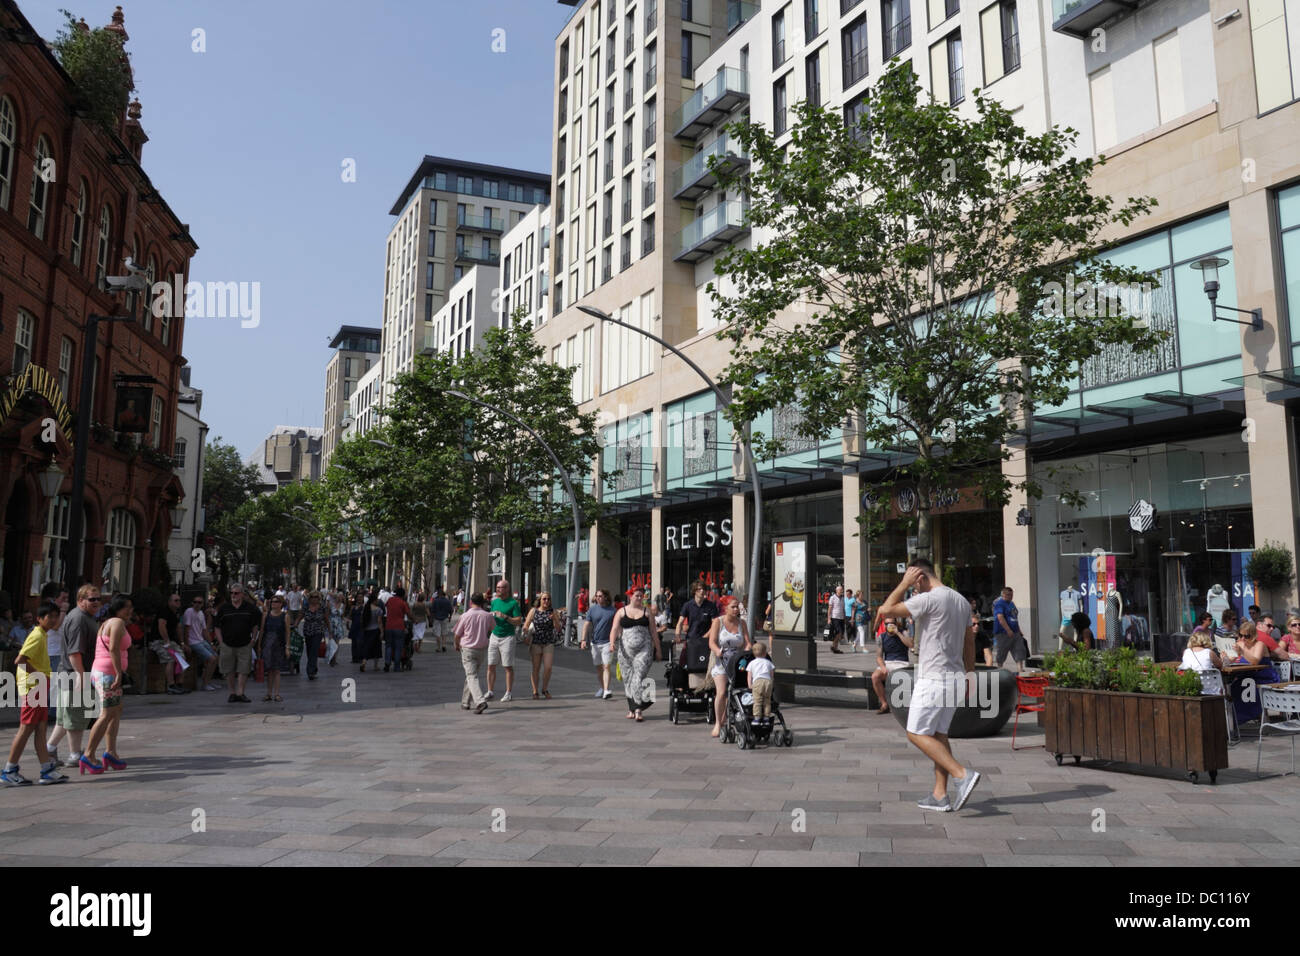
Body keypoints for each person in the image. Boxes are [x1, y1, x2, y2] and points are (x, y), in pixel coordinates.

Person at [878, 560, 981, 813]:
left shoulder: (930, 598)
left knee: (915, 733)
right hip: (955, 676)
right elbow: (969, 642)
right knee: (938, 735)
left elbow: (885, 610)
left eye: (914, 583)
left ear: (920, 576)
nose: (914, 589)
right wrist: (970, 674)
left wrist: (902, 584)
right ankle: (939, 794)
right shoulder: (960, 601)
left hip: (934, 677)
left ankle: (962, 774)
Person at [2, 601, 67, 785]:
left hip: (38, 684)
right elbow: (20, 660)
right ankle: (9, 770)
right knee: (26, 728)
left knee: (40, 727)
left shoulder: (42, 635)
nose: (53, 620)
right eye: (49, 616)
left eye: (56, 616)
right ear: (39, 619)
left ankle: (46, 769)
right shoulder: (37, 635)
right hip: (33, 686)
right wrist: (38, 676)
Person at [46, 585, 101, 768]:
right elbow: (75, 652)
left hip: (72, 674)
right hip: (75, 675)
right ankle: (75, 755)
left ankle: (49, 748)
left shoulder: (84, 617)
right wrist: (81, 676)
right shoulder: (79, 619)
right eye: (92, 599)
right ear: (80, 600)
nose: (96, 602)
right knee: (76, 718)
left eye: (98, 599)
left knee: (66, 717)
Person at [80, 593, 135, 775]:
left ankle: (110, 752)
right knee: (106, 714)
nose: (130, 610)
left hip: (105, 673)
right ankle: (88, 754)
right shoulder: (117, 623)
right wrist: (119, 673)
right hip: (108, 674)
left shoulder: (107, 622)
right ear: (119, 608)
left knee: (115, 711)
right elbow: (112, 648)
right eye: (127, 607)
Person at [611, 587, 659, 721]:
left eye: (641, 596)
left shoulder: (647, 612)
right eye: (637, 595)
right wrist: (611, 643)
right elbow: (614, 628)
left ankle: (638, 710)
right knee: (628, 679)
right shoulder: (621, 611)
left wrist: (658, 649)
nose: (639, 598)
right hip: (625, 651)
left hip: (644, 650)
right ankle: (631, 708)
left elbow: (654, 631)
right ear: (630, 596)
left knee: (638, 677)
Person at [707, 599, 752, 738]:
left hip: (737, 660)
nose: (736, 610)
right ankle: (718, 724)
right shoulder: (718, 622)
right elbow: (712, 642)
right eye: (733, 607)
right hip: (721, 660)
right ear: (725, 608)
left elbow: (747, 642)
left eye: (737, 607)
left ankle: (731, 717)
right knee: (721, 692)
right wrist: (718, 651)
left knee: (737, 689)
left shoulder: (742, 623)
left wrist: (747, 650)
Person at [214, 584, 261, 703]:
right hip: (227, 644)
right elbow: (217, 627)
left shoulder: (249, 608)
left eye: (236, 593)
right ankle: (232, 693)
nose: (233, 595)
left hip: (245, 643)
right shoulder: (224, 608)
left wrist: (253, 639)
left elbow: (255, 625)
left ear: (242, 594)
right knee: (228, 669)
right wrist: (221, 642)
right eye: (232, 593)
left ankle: (240, 692)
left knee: (243, 669)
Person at [454, 592, 493, 713]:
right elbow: (492, 630)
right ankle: (465, 702)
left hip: (468, 649)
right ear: (482, 603)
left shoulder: (465, 616)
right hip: (481, 649)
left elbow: (457, 634)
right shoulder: (488, 615)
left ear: (471, 602)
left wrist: (456, 644)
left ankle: (480, 701)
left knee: (471, 676)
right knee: (472, 675)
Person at [486, 579, 522, 702]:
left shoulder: (513, 603)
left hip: (507, 637)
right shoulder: (494, 602)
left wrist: (505, 617)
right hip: (494, 636)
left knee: (508, 666)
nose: (497, 589)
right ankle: (490, 691)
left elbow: (518, 621)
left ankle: (508, 692)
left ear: (507, 589)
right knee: (491, 665)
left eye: (500, 587)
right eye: (497, 587)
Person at [871, 617, 913, 714]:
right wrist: (882, 667)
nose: (889, 625)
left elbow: (910, 645)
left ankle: (904, 706)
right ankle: (884, 704)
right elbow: (879, 656)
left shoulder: (903, 633)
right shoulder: (881, 637)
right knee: (875, 676)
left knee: (902, 677)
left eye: (892, 623)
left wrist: (898, 633)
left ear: (896, 624)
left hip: (902, 663)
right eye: (886, 624)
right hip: (888, 663)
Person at [523, 591, 560, 700]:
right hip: (536, 642)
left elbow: (558, 629)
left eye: (548, 599)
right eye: (544, 599)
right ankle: (535, 691)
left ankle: (544, 689)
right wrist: (525, 633)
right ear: (540, 600)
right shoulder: (534, 611)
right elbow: (526, 625)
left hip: (548, 642)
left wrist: (555, 619)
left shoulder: (553, 611)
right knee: (536, 668)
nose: (546, 601)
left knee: (548, 667)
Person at [582, 588, 616, 699]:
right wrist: (583, 640)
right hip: (595, 643)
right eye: (597, 596)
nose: (598, 598)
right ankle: (602, 687)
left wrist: (615, 640)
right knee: (599, 668)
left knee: (606, 666)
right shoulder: (592, 610)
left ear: (606, 597)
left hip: (608, 642)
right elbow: (586, 625)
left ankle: (606, 690)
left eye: (600, 596)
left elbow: (617, 627)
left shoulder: (613, 610)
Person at [182, 594, 220, 690]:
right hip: (193, 642)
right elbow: (186, 629)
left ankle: (207, 681)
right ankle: (205, 684)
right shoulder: (189, 612)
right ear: (192, 603)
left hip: (201, 640)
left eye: (199, 602)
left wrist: (211, 644)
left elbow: (204, 630)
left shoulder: (201, 614)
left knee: (216, 658)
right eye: (195, 602)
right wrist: (186, 644)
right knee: (212, 659)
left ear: (203, 604)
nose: (197, 604)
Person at [259, 594, 290, 702]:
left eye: (276, 602)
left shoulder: (285, 616)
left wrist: (287, 647)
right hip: (267, 644)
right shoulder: (265, 615)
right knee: (269, 670)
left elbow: (287, 633)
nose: (274, 603)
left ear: (281, 604)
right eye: (272, 601)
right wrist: (259, 645)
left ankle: (276, 694)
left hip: (279, 645)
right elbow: (262, 631)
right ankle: (268, 693)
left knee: (276, 670)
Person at [992, 586, 1027, 672]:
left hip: (1015, 632)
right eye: (1008, 594)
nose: (1010, 596)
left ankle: (1020, 669)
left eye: (1011, 594)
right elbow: (1000, 617)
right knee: (1002, 651)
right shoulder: (999, 604)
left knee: (1019, 650)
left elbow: (1015, 617)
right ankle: (999, 669)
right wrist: (1008, 630)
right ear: (1003, 594)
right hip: (1003, 632)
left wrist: (1019, 630)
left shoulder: (1012, 603)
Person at [299, 591, 330, 680]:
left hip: (318, 631)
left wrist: (329, 631)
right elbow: (301, 615)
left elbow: (326, 618)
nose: (314, 598)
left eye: (316, 597)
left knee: (314, 650)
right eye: (313, 597)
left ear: (319, 598)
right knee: (309, 651)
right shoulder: (306, 606)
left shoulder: (322, 606)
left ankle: (310, 671)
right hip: (307, 631)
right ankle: (314, 668)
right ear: (310, 598)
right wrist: (295, 624)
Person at [383, 587, 410, 673]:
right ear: (402, 595)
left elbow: (386, 607)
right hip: (399, 627)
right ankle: (396, 666)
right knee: (398, 647)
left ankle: (387, 663)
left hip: (388, 626)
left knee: (388, 646)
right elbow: (408, 614)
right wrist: (414, 620)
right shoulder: (403, 603)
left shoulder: (390, 600)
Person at [748, 641, 776, 723]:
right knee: (767, 701)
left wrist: (750, 684)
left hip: (757, 682)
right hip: (767, 682)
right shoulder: (768, 662)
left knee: (757, 701)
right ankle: (766, 718)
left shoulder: (752, 663)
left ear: (754, 654)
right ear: (765, 653)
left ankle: (757, 718)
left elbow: (749, 675)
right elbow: (771, 674)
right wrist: (771, 682)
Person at [359, 590, 383, 672]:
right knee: (376, 648)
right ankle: (375, 666)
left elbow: (362, 619)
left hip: (367, 630)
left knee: (367, 647)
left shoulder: (366, 608)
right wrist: (382, 631)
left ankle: (364, 662)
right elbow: (379, 622)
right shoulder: (378, 610)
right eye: (376, 600)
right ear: (374, 600)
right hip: (375, 630)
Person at [828, 584, 846, 654]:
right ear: (837, 591)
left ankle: (834, 647)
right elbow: (829, 608)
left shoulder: (843, 598)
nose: (841, 591)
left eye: (842, 590)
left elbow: (843, 609)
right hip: (835, 617)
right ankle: (834, 647)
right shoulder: (832, 598)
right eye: (840, 590)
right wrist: (829, 619)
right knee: (839, 632)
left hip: (841, 618)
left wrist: (844, 618)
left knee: (839, 634)